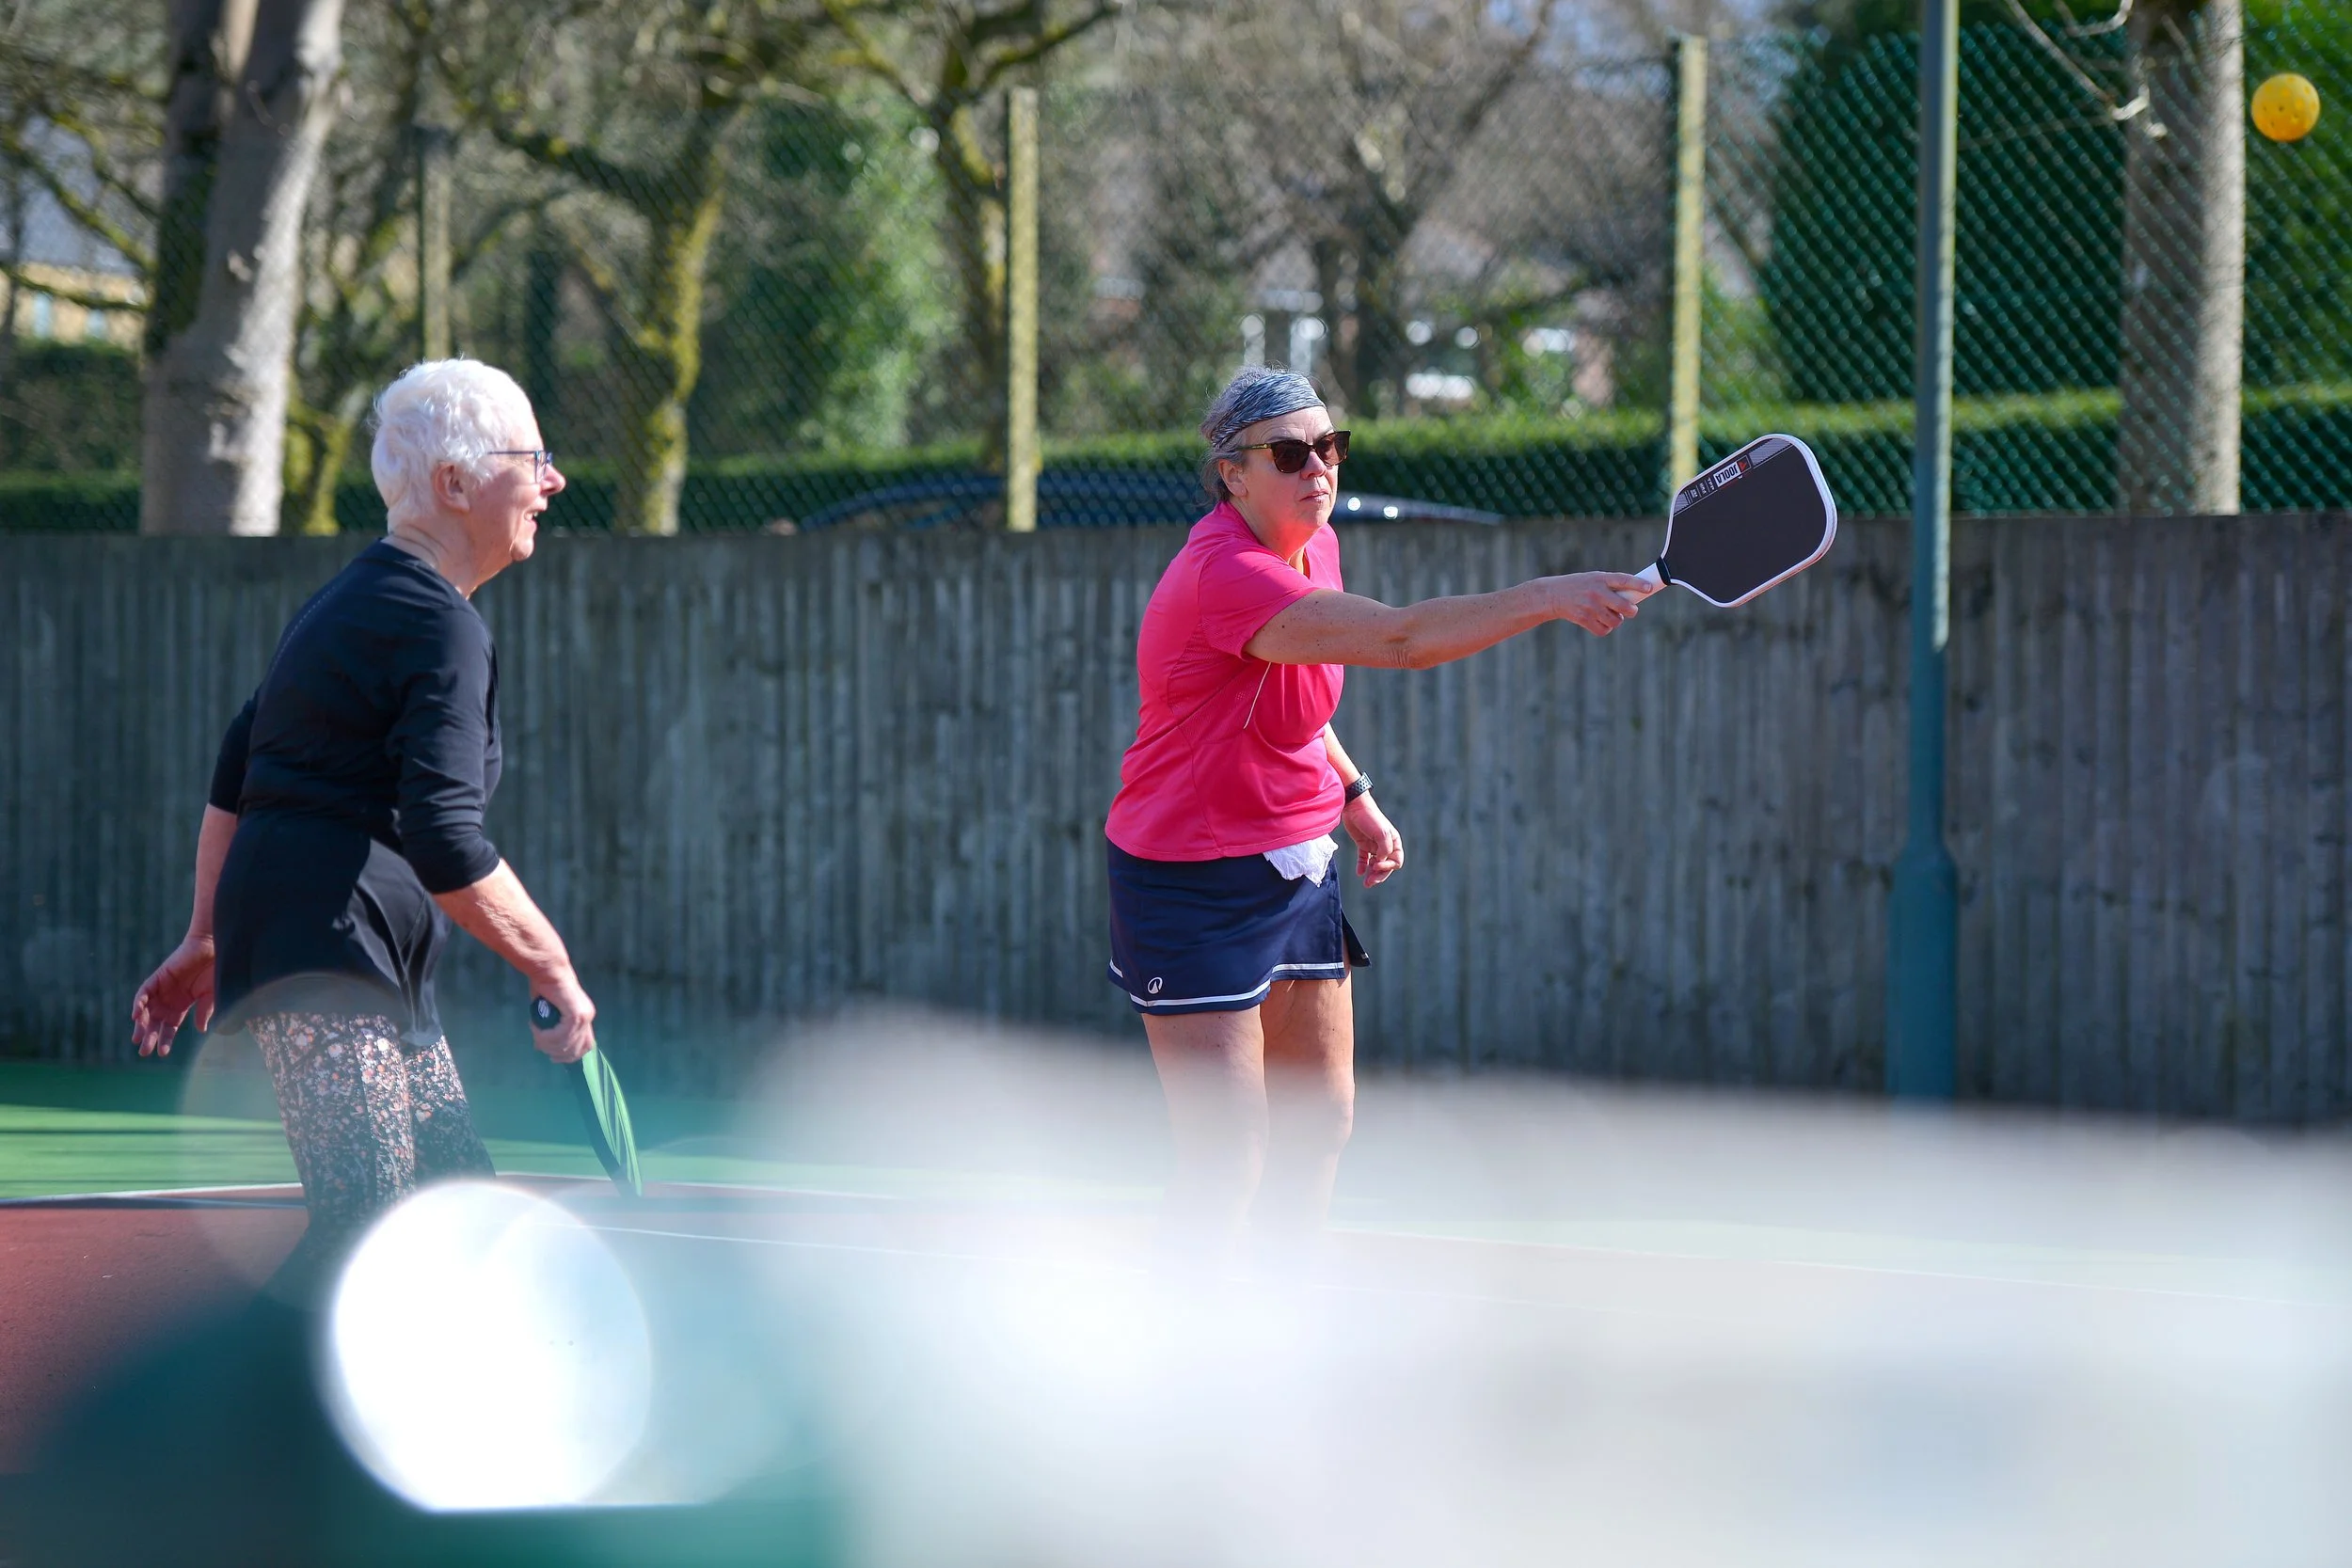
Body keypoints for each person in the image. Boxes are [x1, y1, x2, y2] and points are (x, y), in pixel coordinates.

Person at [1104, 366, 1654, 1260]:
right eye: (1290, 453)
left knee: (1319, 1128)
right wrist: (1549, 595)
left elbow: (1294, 703)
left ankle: (1286, 1329)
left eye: (1330, 446)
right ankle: (1172, 1351)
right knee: (1228, 1157)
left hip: (1295, 865)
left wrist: (1353, 793)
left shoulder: (1311, 544)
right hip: (1188, 881)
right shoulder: (1226, 574)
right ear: (1232, 474)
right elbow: (1399, 640)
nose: (1317, 466)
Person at [129, 358, 596, 1299]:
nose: (554, 481)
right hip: (328, 945)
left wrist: (209, 933)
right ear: (455, 484)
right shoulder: (432, 624)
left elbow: (239, 757)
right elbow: (446, 838)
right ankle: (223, 1433)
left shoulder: (360, 599)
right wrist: (550, 964)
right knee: (371, 1231)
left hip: (353, 947)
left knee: (454, 1204)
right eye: (533, 457)